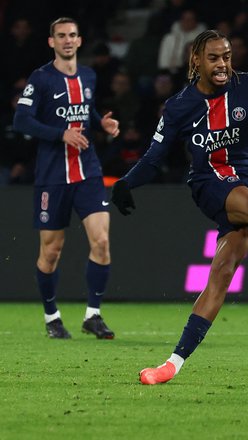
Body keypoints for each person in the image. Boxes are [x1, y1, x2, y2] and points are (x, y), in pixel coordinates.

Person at [110, 30, 248, 385]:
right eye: (214, 58)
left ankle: (171, 364)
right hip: (208, 183)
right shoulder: (179, 106)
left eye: (226, 56)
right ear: (196, 60)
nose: (223, 64)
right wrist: (125, 183)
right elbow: (154, 158)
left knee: (222, 273)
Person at [12, 17, 120, 339]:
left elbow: (86, 109)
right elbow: (22, 120)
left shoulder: (89, 75)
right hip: (53, 176)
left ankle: (93, 315)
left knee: (101, 240)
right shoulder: (41, 78)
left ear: (80, 40)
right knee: (51, 251)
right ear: (51, 42)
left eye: (72, 35)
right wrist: (62, 135)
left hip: (88, 171)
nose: (67, 40)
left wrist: (102, 124)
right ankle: (51, 317)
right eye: (61, 36)